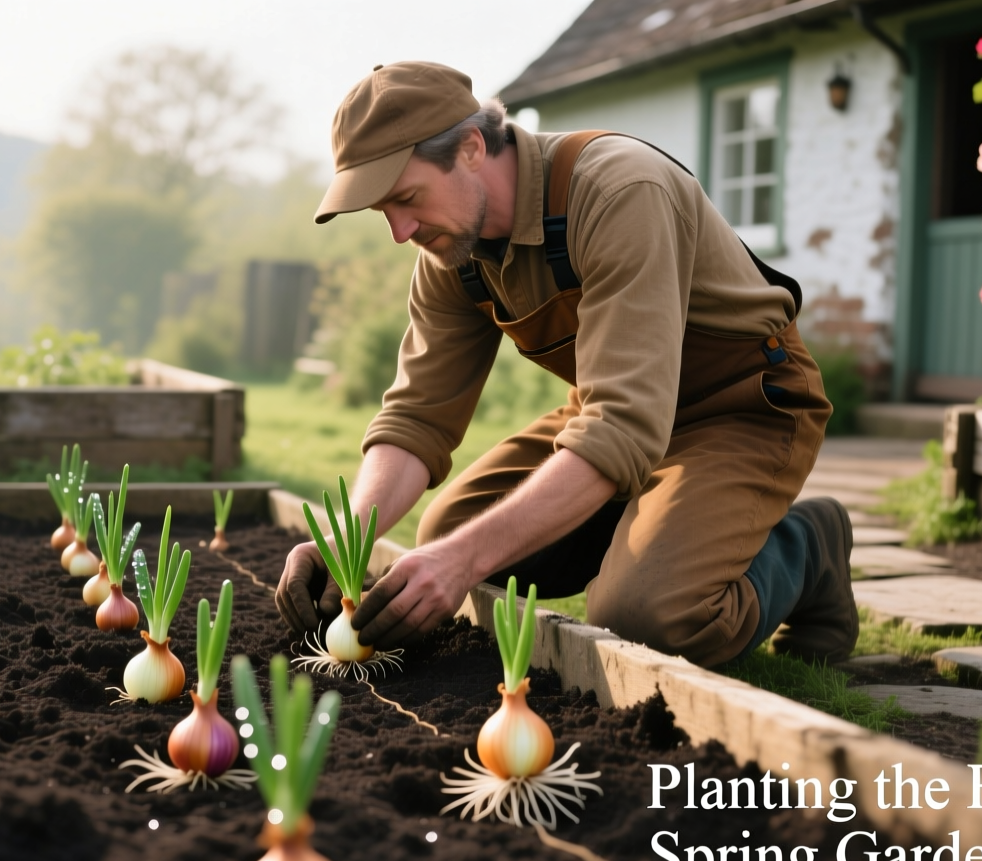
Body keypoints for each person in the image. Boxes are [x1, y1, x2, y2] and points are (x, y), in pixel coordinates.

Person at [274, 61, 858, 666]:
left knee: (646, 618)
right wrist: (344, 540)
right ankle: (656, 528)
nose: (400, 230)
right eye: (382, 211)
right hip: (614, 417)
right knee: (451, 530)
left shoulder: (618, 193)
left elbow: (622, 427)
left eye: (406, 197)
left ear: (471, 147)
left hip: (742, 407)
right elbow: (417, 418)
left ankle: (807, 546)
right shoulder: (453, 250)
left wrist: (462, 561)